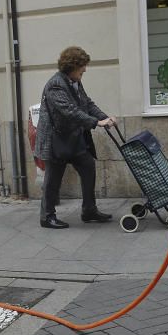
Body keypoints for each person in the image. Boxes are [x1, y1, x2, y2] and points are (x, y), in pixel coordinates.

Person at [34, 46, 116, 229]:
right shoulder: (56, 85)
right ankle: (47, 216)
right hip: (55, 140)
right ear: (72, 66)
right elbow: (70, 112)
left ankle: (89, 210)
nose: (85, 70)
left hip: (72, 138)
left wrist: (104, 118)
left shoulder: (75, 81)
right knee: (53, 179)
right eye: (82, 67)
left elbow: (87, 104)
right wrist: (96, 123)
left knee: (88, 166)